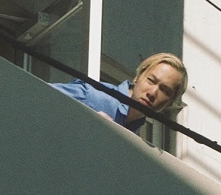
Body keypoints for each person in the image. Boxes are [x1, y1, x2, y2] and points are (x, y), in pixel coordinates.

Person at [50, 53, 187, 134]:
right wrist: (81, 118)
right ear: (137, 77)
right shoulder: (93, 95)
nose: (153, 92)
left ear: (169, 102)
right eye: (151, 80)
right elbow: (35, 93)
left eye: (165, 90)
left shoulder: (136, 135)